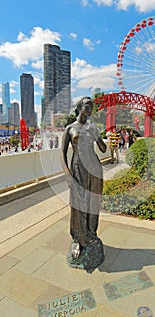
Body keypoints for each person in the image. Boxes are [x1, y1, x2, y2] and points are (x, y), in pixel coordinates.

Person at [61, 97, 107, 270]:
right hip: (78, 169)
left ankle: (91, 234)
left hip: (94, 170)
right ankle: (78, 239)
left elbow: (103, 149)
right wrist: (67, 174)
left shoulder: (92, 128)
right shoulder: (70, 129)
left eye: (92, 108)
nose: (90, 110)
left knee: (92, 204)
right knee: (78, 205)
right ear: (80, 107)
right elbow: (63, 153)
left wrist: (97, 134)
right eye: (87, 107)